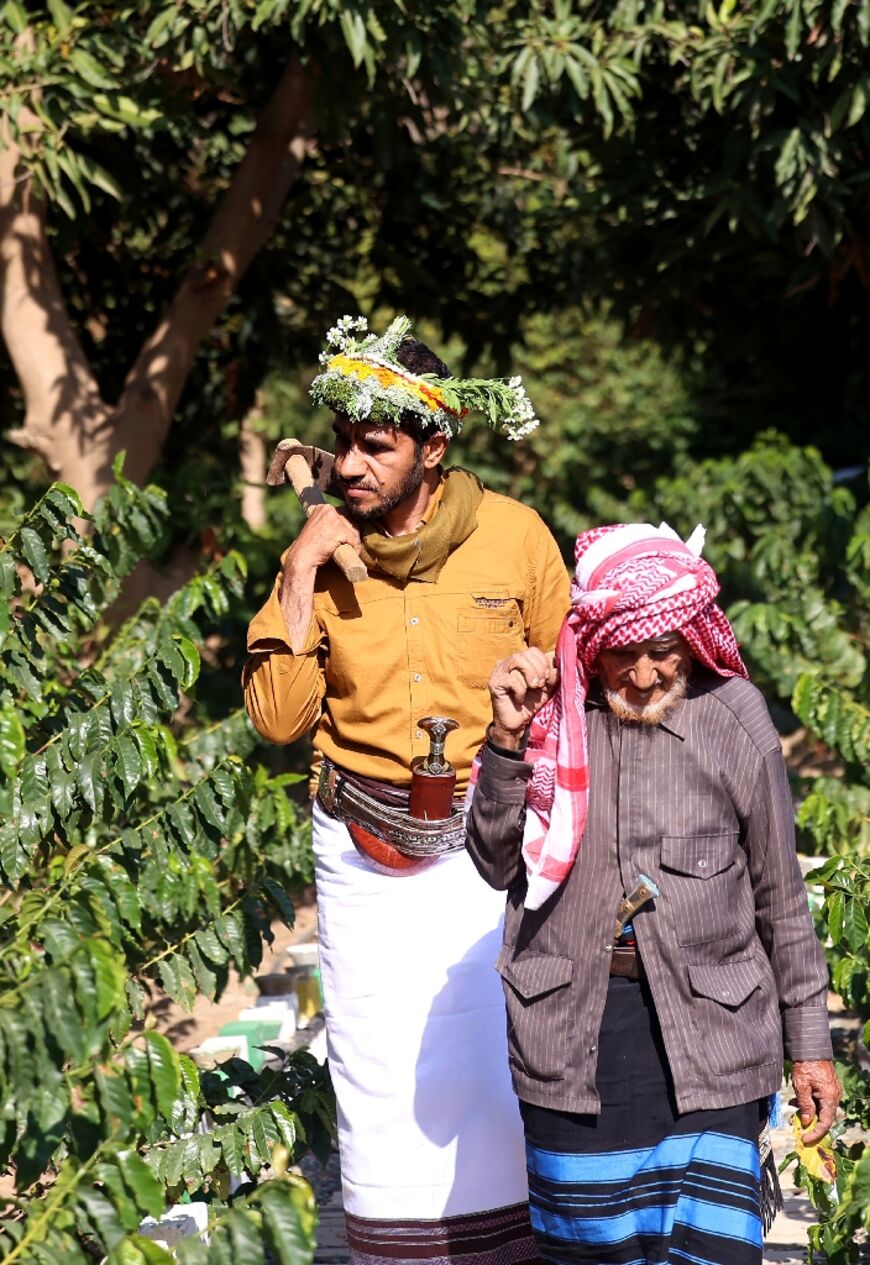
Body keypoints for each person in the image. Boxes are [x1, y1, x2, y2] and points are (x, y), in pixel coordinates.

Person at [243, 314, 569, 1265]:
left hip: (491, 836)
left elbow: (574, 676)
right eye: (340, 443)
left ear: (435, 447)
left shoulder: (513, 537)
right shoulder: (320, 548)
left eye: (374, 447)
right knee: (377, 1065)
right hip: (359, 843)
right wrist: (302, 567)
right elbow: (276, 717)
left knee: (493, 1057)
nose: (350, 465)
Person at [464, 521, 840, 1265]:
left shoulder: (734, 720)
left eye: (661, 651)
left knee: (714, 1250)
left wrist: (810, 1049)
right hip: (572, 1039)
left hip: (716, 1036)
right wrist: (505, 744)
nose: (641, 675)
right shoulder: (547, 717)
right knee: (587, 1244)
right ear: (594, 640)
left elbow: (781, 896)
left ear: (691, 639)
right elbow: (492, 859)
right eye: (622, 654)